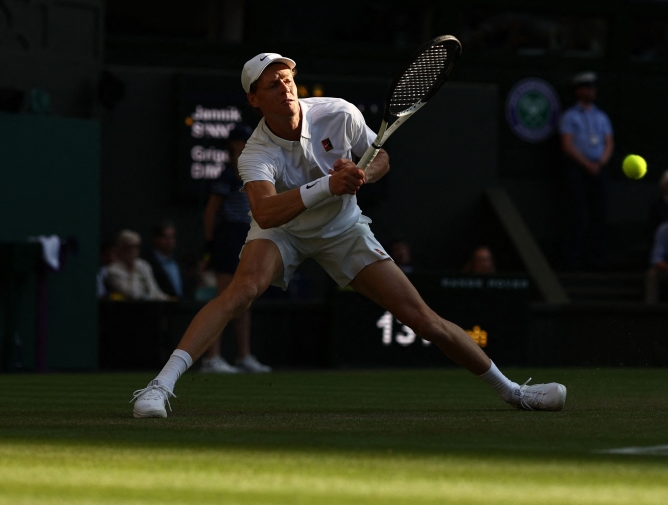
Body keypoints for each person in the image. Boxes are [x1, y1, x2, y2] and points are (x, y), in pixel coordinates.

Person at [130, 54, 567, 418]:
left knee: (422, 318)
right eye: (271, 84)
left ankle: (513, 391)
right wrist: (327, 185)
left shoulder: (338, 111)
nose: (284, 87)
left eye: (287, 79)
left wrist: (363, 174)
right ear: (253, 100)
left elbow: (381, 158)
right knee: (241, 290)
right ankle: (158, 387)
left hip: (342, 228)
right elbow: (264, 210)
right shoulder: (255, 153)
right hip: (281, 230)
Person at [200, 125, 270, 375]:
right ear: (233, 147)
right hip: (229, 237)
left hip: (248, 236)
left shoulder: (253, 173)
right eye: (242, 143)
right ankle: (211, 358)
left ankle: (243, 356)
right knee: (224, 298)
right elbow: (210, 212)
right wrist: (210, 244)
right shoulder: (226, 176)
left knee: (245, 298)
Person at [559, 71, 614, 270]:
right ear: (579, 90)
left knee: (599, 215)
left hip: (598, 169)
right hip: (578, 170)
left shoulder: (601, 116)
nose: (592, 91)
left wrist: (600, 163)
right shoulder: (570, 116)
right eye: (588, 87)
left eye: (593, 87)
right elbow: (567, 145)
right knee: (577, 214)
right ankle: (573, 259)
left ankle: (597, 259)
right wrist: (586, 164)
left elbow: (608, 142)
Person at [106, 230, 173, 301]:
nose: (133, 251)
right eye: (130, 247)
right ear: (121, 248)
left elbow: (155, 292)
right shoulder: (113, 270)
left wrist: (169, 300)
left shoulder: (144, 265)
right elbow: (134, 295)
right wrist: (133, 268)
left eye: (137, 247)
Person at [148, 220, 187, 299]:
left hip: (181, 307)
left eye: (172, 236)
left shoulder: (179, 262)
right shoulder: (147, 263)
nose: (169, 241)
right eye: (165, 237)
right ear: (156, 239)